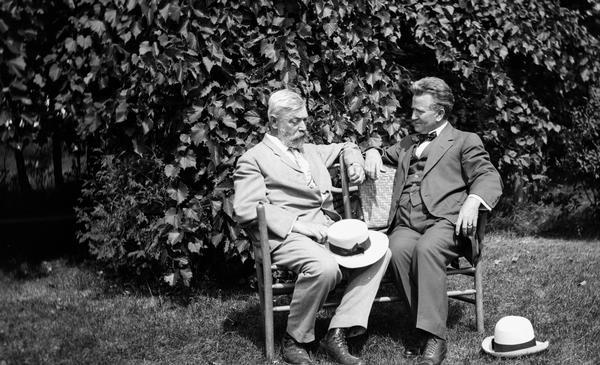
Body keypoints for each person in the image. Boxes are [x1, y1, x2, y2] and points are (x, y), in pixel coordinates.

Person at [234, 89, 391, 365]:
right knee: (325, 267)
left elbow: (346, 146)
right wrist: (298, 225)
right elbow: (247, 208)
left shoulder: (309, 150)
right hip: (287, 237)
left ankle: (338, 331)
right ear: (273, 122)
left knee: (380, 253)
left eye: (304, 120)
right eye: (295, 121)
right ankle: (295, 339)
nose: (304, 127)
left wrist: (354, 162)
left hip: (328, 231)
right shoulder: (254, 159)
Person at [364, 77, 503, 365]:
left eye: (419, 112)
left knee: (426, 250)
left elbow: (489, 177)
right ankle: (422, 327)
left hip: (445, 222)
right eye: (412, 110)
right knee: (397, 250)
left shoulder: (465, 140)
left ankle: (434, 339)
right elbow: (385, 152)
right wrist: (372, 152)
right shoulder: (408, 142)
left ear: (439, 113)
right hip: (406, 223)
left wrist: (473, 201)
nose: (411, 116)